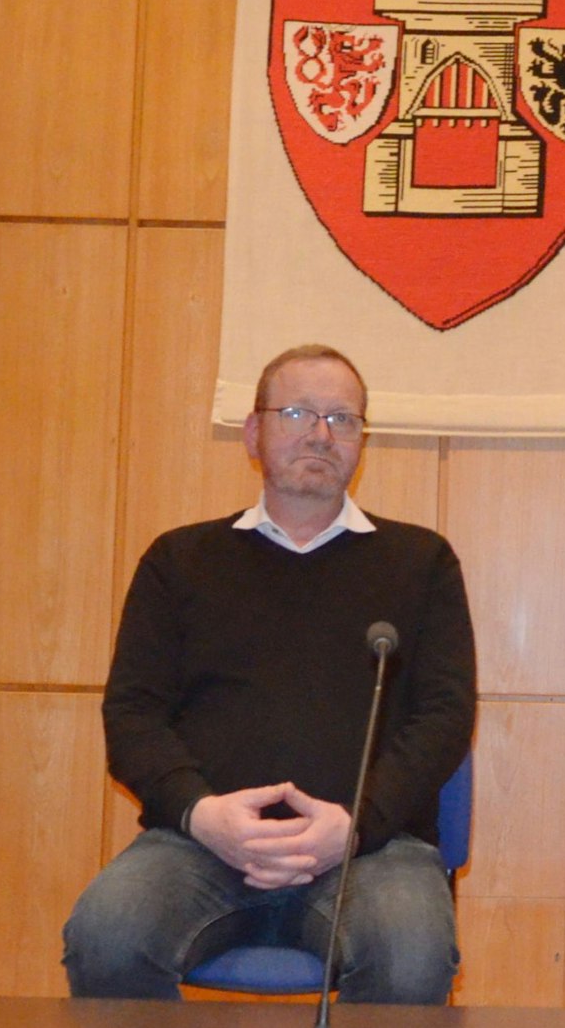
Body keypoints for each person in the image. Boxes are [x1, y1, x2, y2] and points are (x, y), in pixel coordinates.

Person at [63, 344, 476, 1002]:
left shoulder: (421, 562)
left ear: (362, 441)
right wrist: (202, 814)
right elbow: (132, 714)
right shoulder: (179, 559)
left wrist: (357, 824)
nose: (321, 433)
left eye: (343, 418)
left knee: (411, 951)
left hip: (370, 850)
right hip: (200, 847)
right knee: (106, 932)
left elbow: (444, 717)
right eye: (297, 412)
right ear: (253, 433)